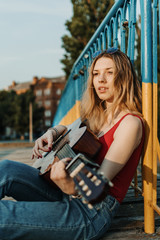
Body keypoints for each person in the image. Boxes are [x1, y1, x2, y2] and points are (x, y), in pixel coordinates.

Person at [0, 48, 145, 240]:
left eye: (109, 72)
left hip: (91, 213)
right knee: (7, 169)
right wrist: (51, 132)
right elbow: (68, 127)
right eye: (96, 73)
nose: (100, 79)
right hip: (67, 195)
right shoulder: (98, 115)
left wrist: (70, 187)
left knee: (4, 214)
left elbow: (95, 189)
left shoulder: (130, 123)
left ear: (124, 77)